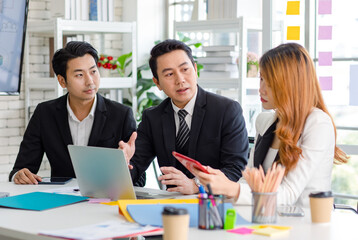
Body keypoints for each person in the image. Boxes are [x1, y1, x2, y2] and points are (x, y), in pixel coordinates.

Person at [191, 43, 349, 207]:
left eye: (270, 82)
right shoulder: (265, 121)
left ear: (291, 84)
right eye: (261, 79)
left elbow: (288, 194)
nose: (261, 89)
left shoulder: (318, 124)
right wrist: (221, 183)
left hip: (306, 225)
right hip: (267, 221)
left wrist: (232, 188)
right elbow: (248, 181)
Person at [120, 39, 248, 194]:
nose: (180, 79)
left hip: (214, 205)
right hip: (171, 206)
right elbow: (135, 167)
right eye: (169, 74)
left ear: (195, 69)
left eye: (185, 69)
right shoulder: (153, 117)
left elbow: (235, 169)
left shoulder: (226, 110)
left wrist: (196, 186)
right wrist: (123, 163)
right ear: (157, 83)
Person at [9, 41, 144, 186]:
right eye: (79, 75)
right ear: (62, 81)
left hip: (105, 199)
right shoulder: (44, 113)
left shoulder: (121, 115)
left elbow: (140, 180)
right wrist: (19, 175)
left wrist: (124, 166)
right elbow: (22, 168)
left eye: (93, 71)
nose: (90, 81)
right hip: (61, 201)